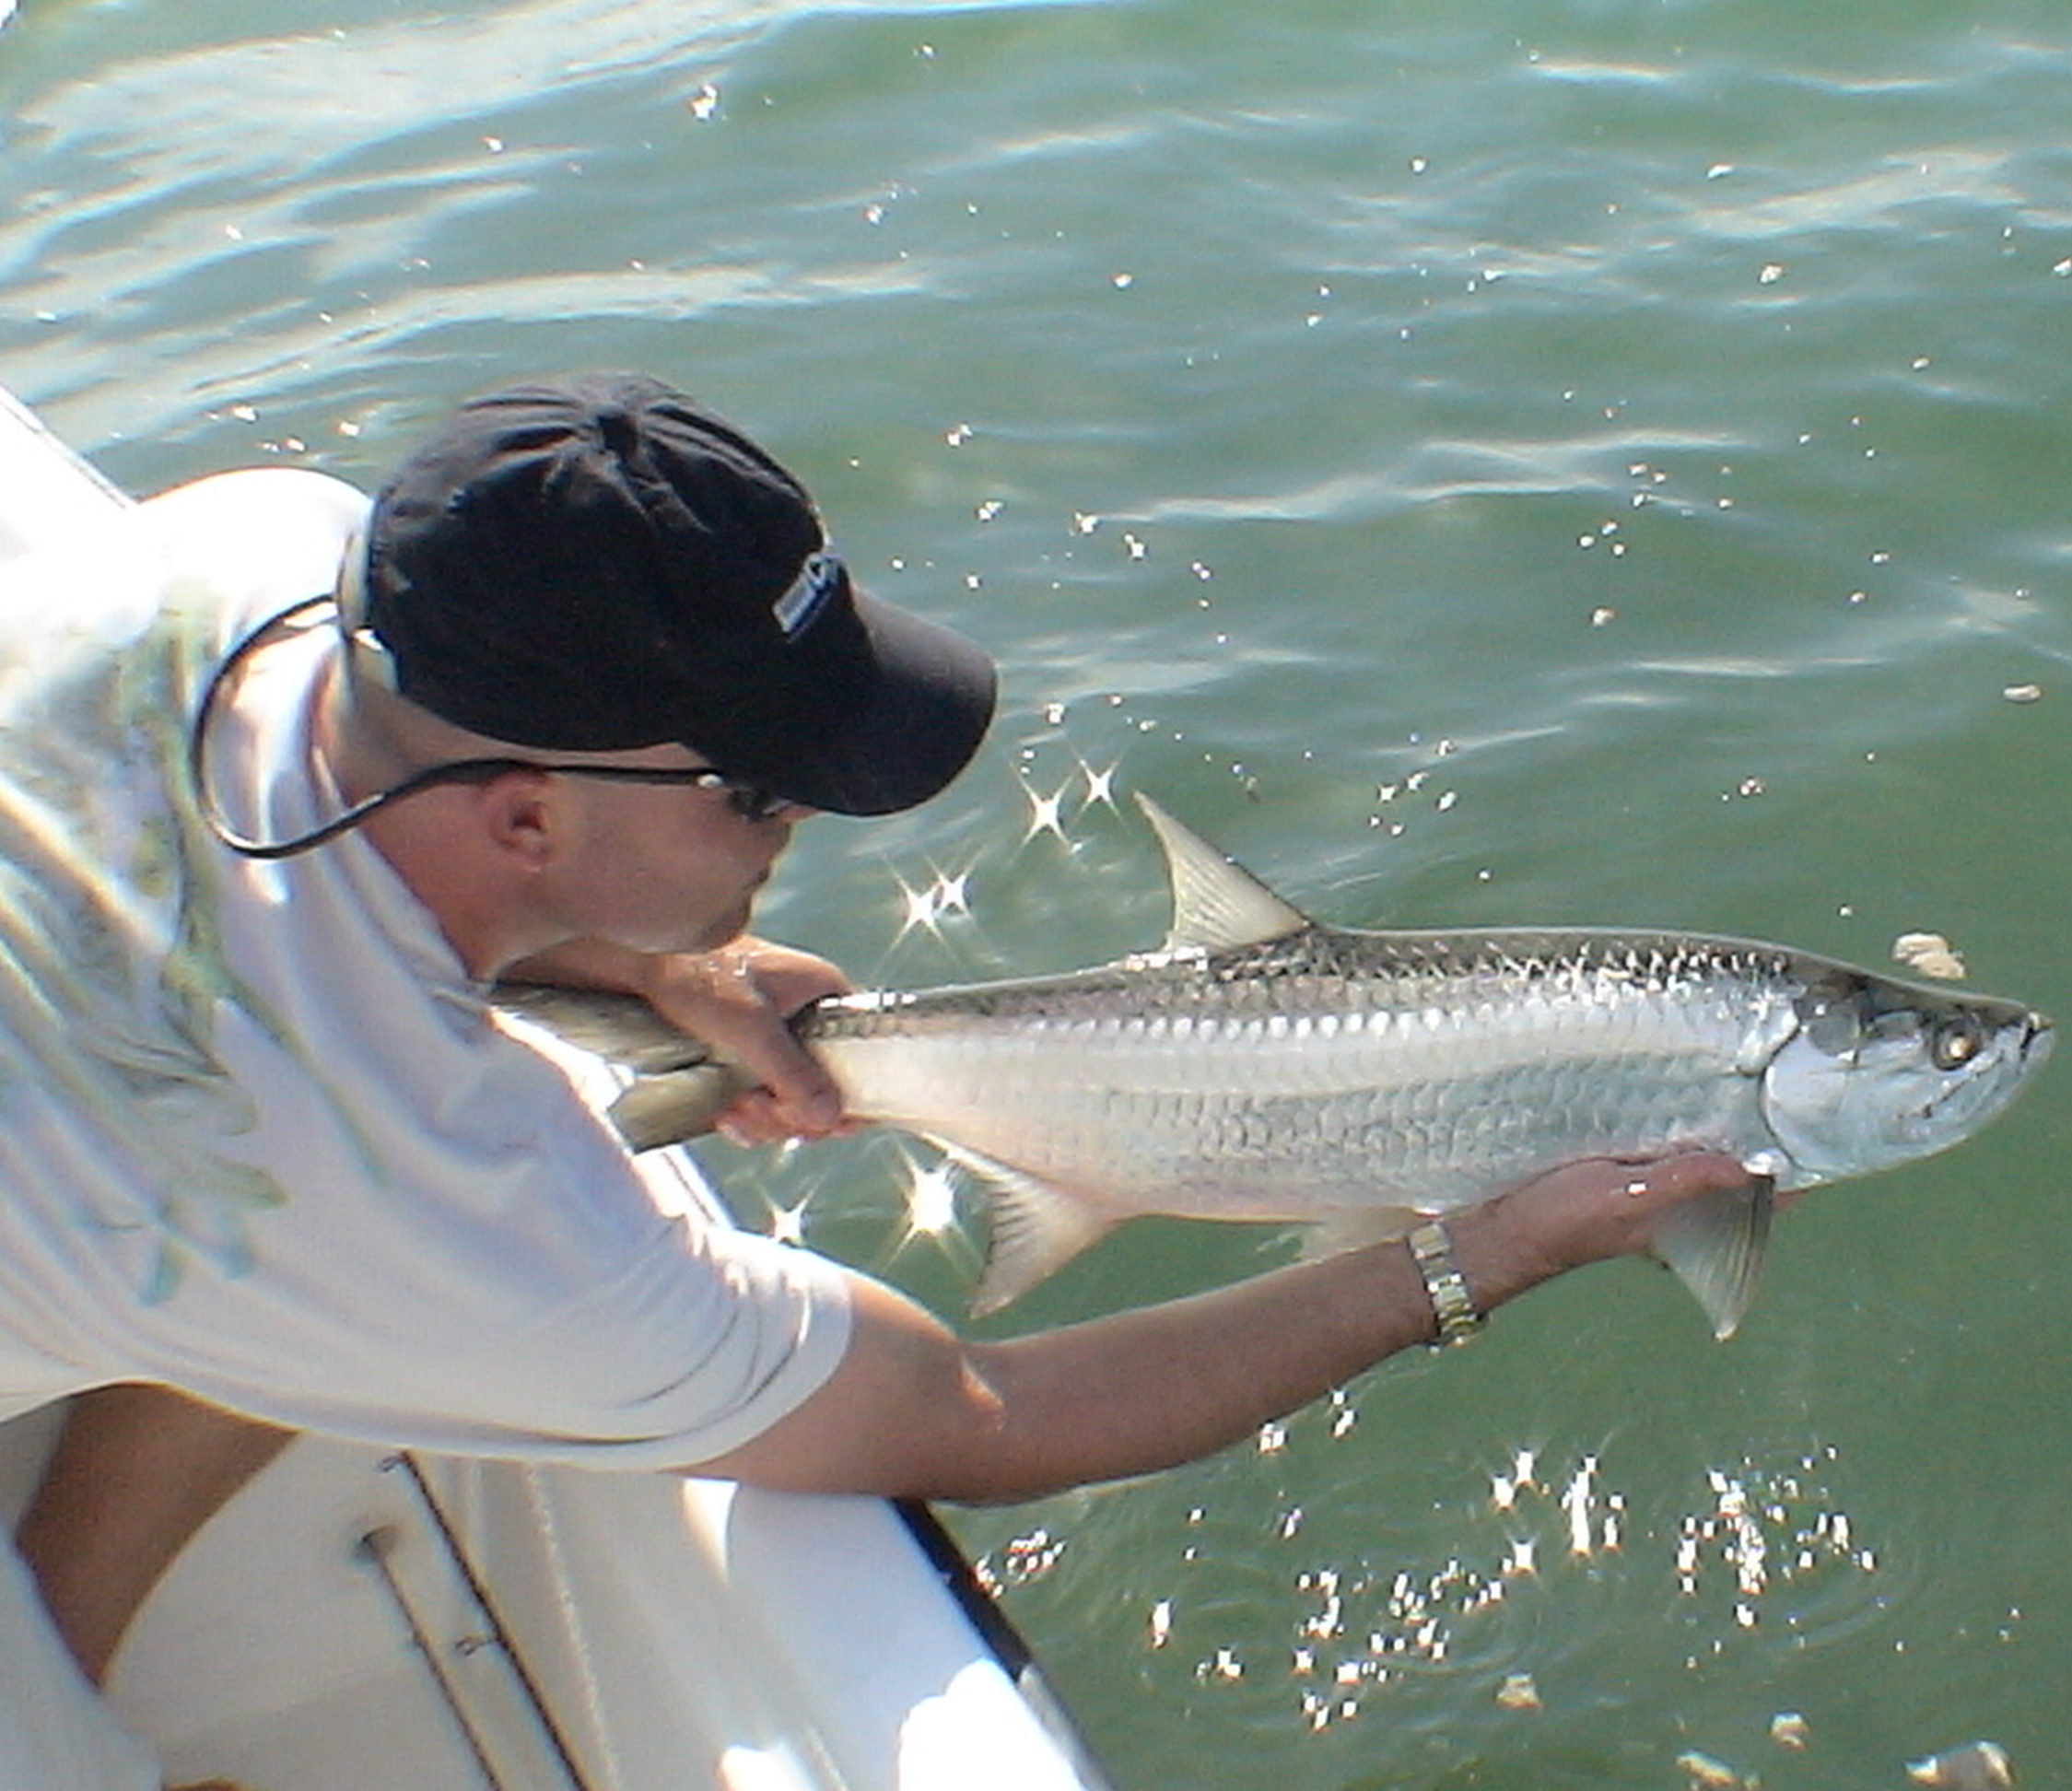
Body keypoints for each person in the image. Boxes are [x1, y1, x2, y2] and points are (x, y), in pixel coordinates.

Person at [0, 372, 1762, 1786]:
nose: (803, 832)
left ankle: (59, 1609)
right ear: (528, 816)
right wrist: (1490, 1250)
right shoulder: (430, 1207)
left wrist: (641, 957)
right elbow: (974, 1425)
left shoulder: (263, 559)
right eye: (764, 795)